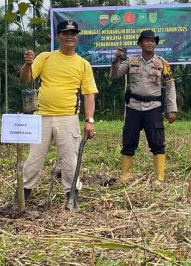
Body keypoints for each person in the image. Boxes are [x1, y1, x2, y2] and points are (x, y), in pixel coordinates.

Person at [20, 19, 97, 202]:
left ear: (76, 37)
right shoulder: (45, 57)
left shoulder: (83, 64)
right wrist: (28, 64)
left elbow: (89, 95)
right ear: (58, 36)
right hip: (42, 117)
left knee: (70, 160)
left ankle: (72, 197)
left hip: (68, 118)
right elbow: (26, 78)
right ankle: (22, 196)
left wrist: (89, 120)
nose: (69, 37)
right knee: (33, 159)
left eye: (73, 34)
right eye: (65, 33)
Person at [111, 29, 177, 183]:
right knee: (128, 142)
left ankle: (159, 179)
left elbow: (170, 86)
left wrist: (172, 109)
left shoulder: (162, 63)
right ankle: (125, 176)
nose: (150, 43)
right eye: (146, 40)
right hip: (133, 107)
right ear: (140, 43)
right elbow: (115, 75)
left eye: (152, 41)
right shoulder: (131, 61)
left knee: (157, 143)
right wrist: (116, 61)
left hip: (153, 107)